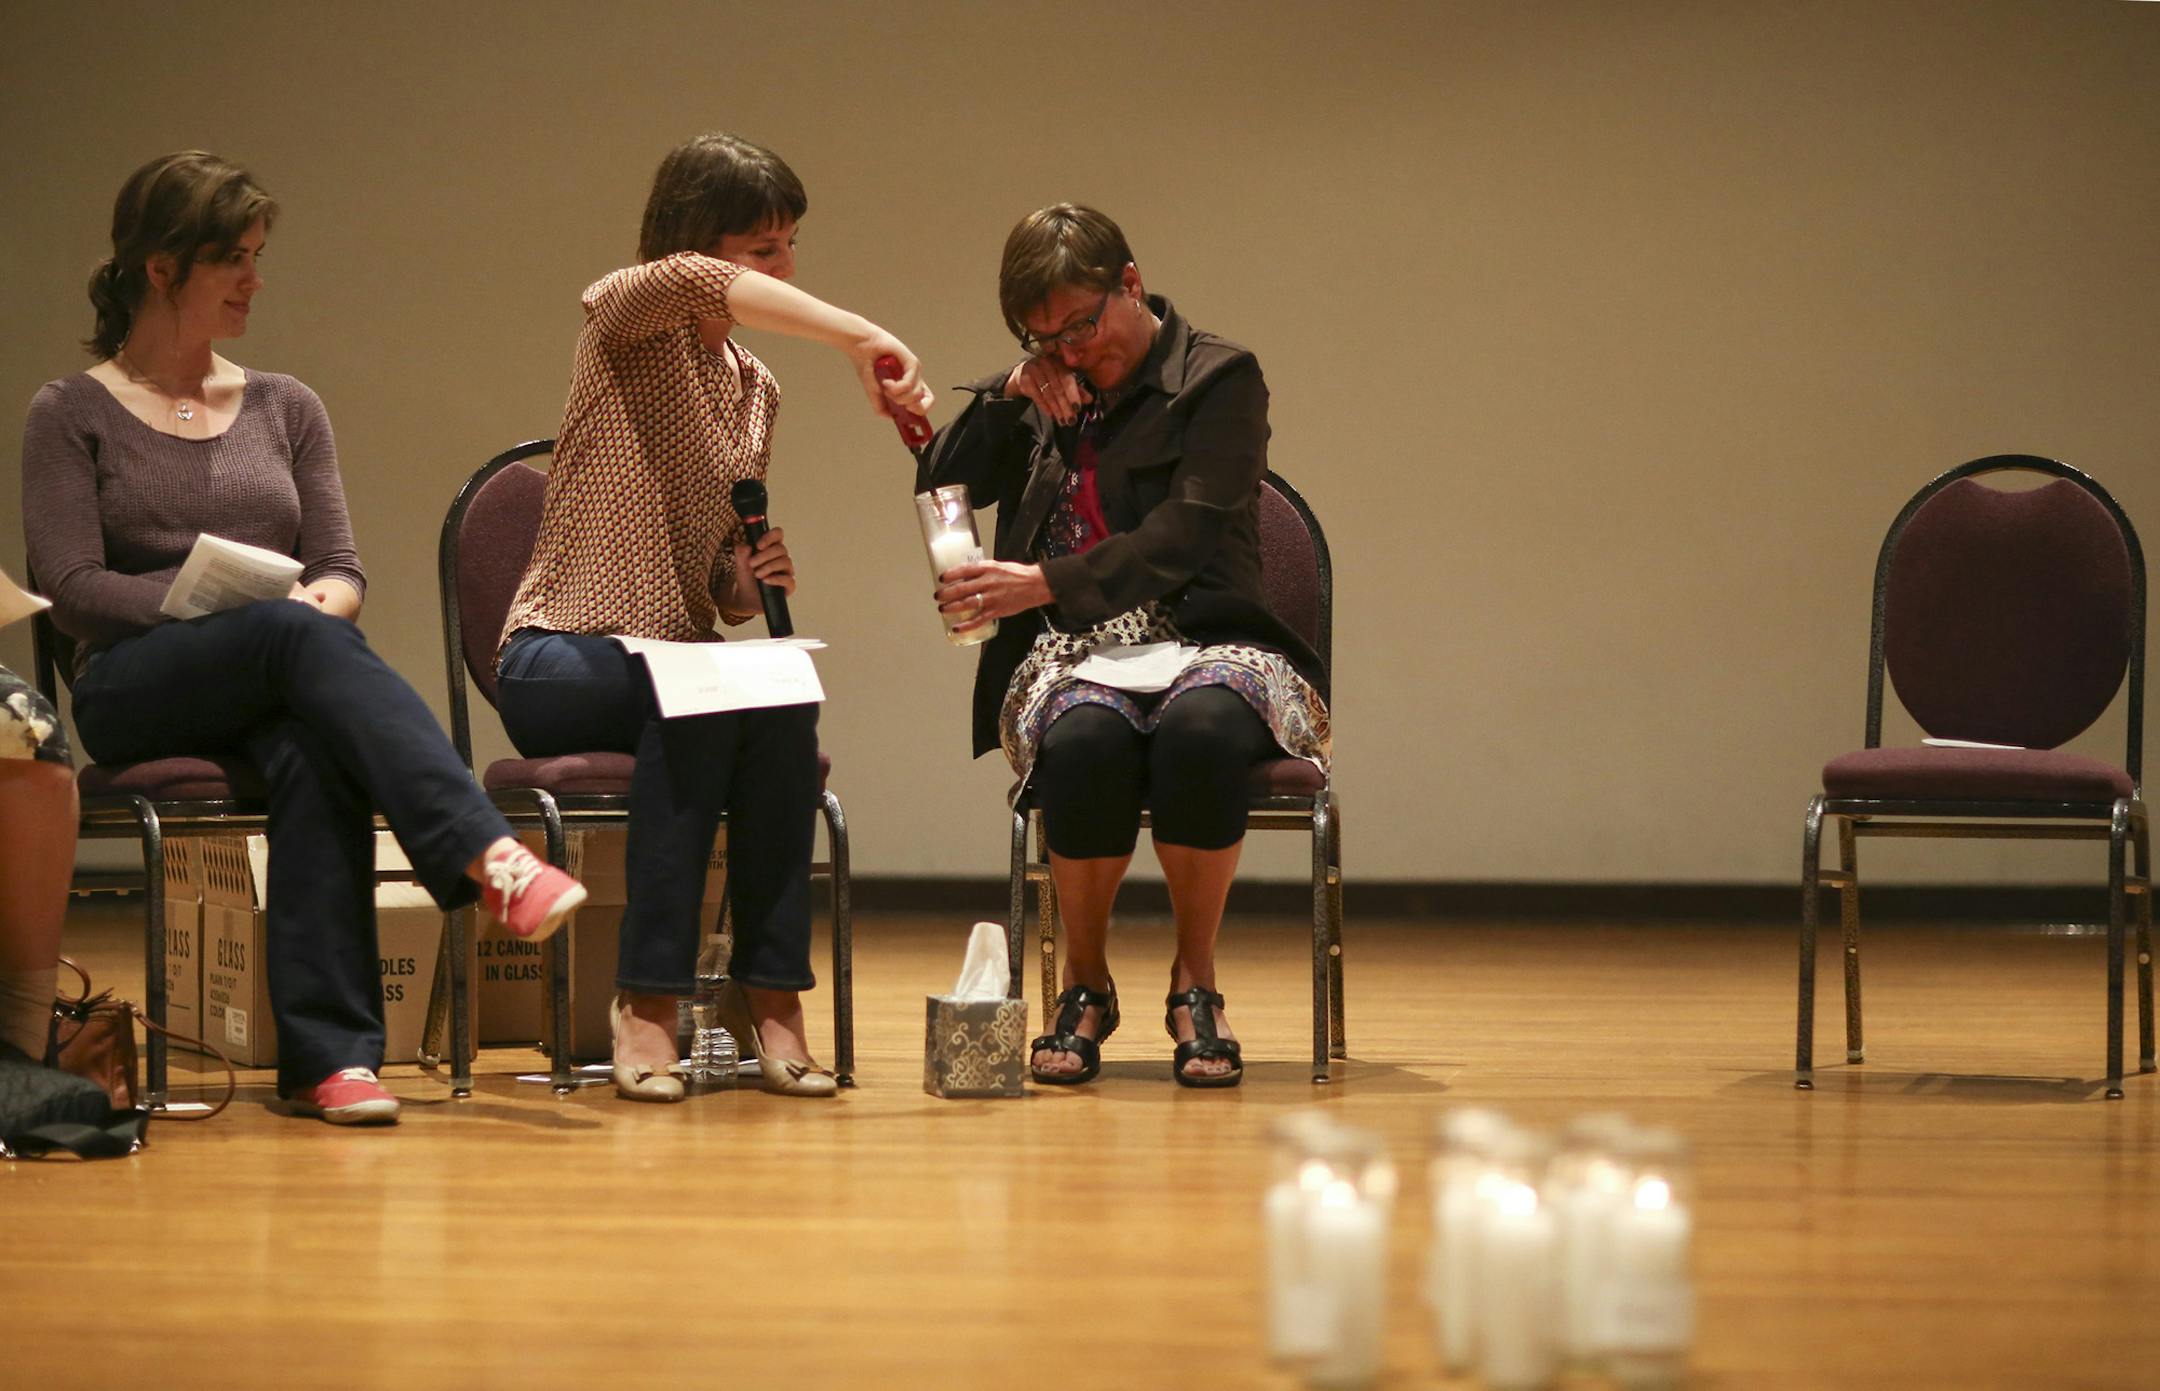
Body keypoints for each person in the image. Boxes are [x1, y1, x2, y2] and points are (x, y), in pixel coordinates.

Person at [20, 151, 587, 1127]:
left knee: (314, 744)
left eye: (256, 256)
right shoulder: (71, 412)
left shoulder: (287, 405)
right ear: (160, 269)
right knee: (286, 635)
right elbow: (72, 591)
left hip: (274, 671)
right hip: (132, 685)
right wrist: (233, 611)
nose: (254, 280)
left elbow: (338, 567)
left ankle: (332, 1061)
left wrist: (313, 606)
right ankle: (481, 854)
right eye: (232, 259)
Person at [495, 130, 932, 1102]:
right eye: (761, 248)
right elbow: (694, 281)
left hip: (675, 665)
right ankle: (647, 1001)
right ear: (699, 245)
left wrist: (741, 578)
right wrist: (862, 335)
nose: (783, 268)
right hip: (562, 653)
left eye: (789, 246)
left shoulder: (753, 387)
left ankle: (769, 994)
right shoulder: (626, 314)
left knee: (776, 691)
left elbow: (715, 591)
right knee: (697, 696)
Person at [917, 204, 1330, 1089]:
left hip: (1213, 639)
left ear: (1130, 284)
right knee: (1087, 742)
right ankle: (1085, 985)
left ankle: (1195, 984)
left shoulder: (1218, 379)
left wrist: (1046, 581)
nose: (1069, 351)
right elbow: (940, 485)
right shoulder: (1048, 381)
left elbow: (1185, 533)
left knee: (1202, 731)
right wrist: (1005, 398)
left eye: (1080, 325)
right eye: (1042, 337)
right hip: (1072, 655)